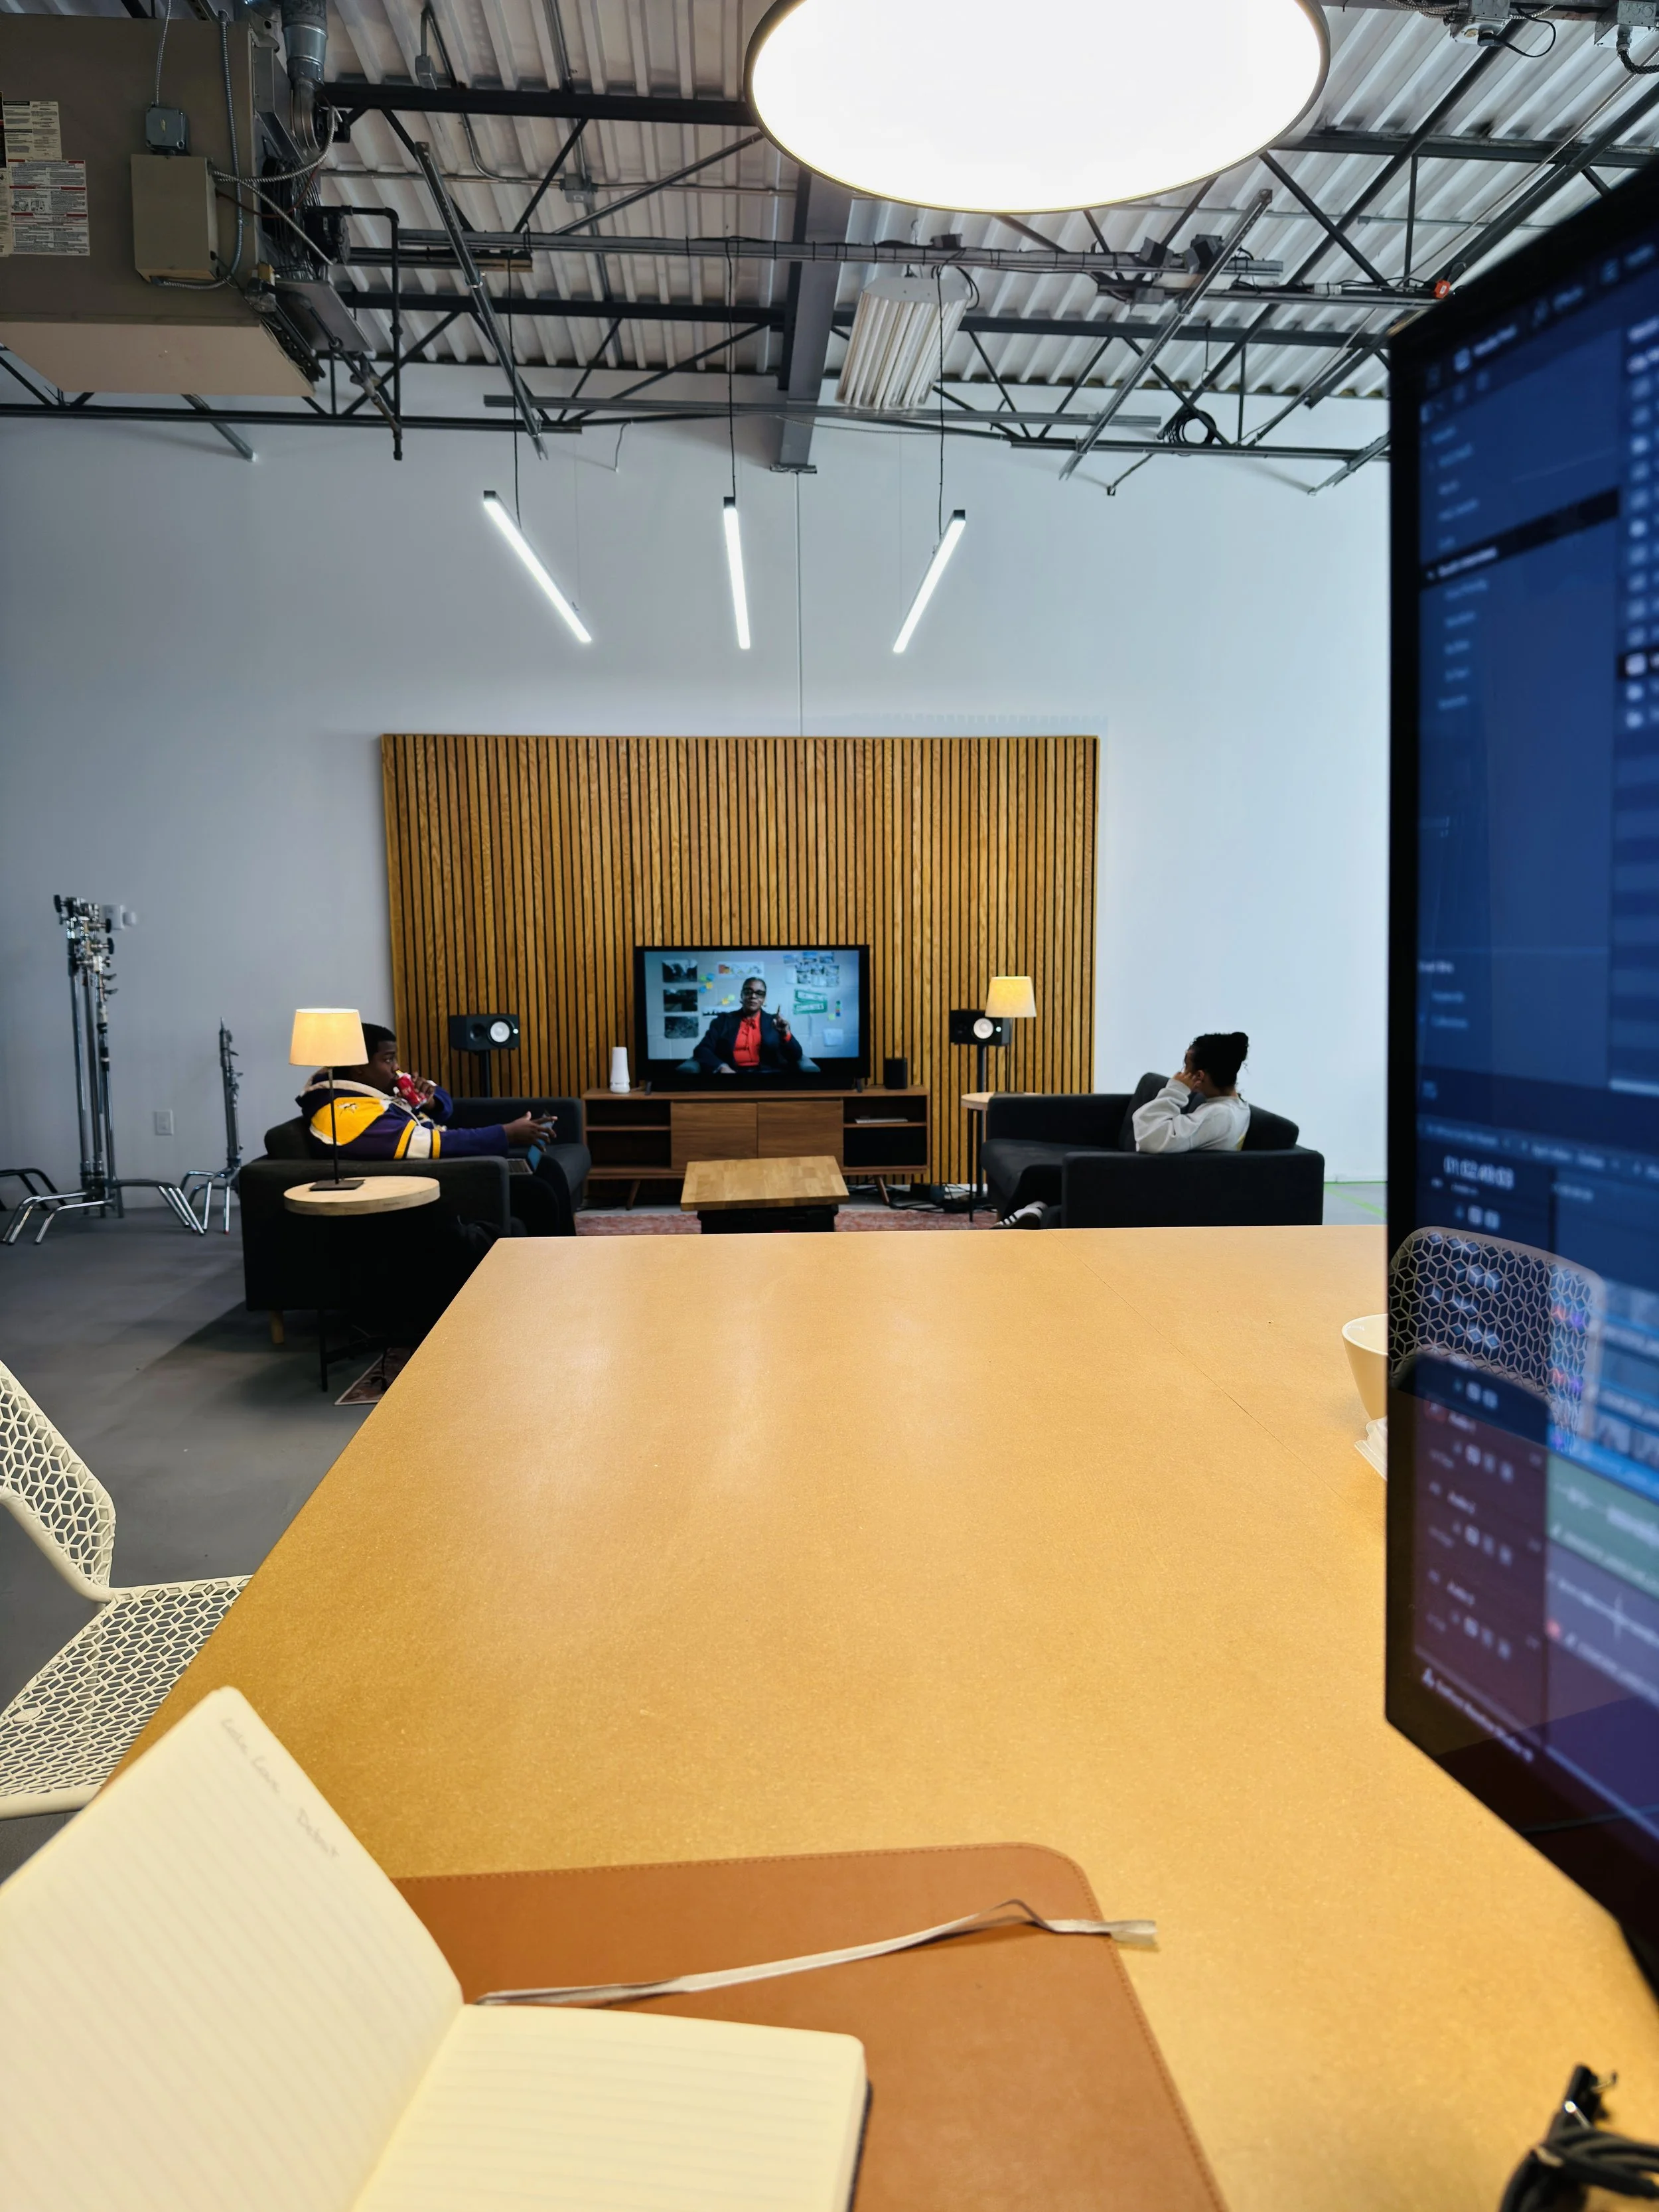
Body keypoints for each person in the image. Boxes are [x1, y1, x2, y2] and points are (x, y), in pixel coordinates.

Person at [298, 1024, 576, 1234]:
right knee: (537, 1193)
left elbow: (447, 1107)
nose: (397, 1069)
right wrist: (506, 1133)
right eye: (388, 1060)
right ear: (359, 1068)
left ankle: (572, 1264)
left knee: (548, 1168)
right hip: (441, 1180)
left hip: (447, 1167)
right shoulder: (345, 1114)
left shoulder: (371, 1094)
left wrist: (429, 1101)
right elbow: (429, 1144)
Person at [1132, 1033, 1252, 1153]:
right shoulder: (1239, 1108)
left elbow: (1148, 1138)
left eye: (1186, 1066)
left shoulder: (1219, 1116)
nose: (1181, 1073)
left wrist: (1175, 1090)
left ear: (1199, 1076)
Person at [689, 976, 818, 1075]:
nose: (753, 996)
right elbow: (702, 1050)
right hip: (732, 1075)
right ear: (742, 995)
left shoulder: (775, 1022)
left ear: (764, 999)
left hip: (768, 1077)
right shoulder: (723, 1020)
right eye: (748, 991)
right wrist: (722, 1067)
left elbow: (797, 1055)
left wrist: (785, 1034)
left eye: (759, 993)